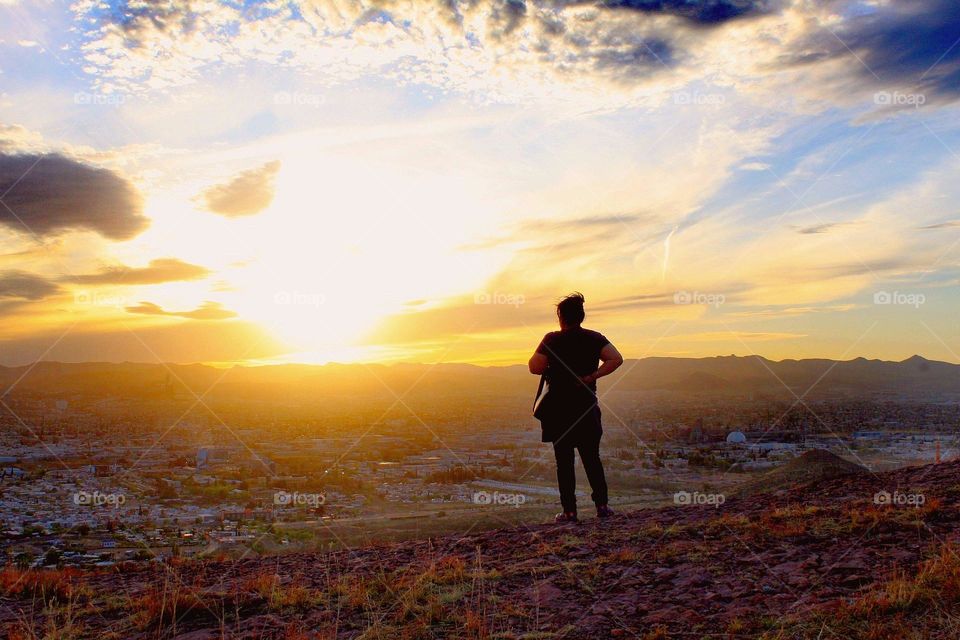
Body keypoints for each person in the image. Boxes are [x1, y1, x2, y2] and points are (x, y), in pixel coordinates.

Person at [529, 292, 623, 523]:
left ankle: (569, 511)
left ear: (561, 317)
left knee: (564, 462)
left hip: (558, 410)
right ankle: (602, 506)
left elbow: (535, 367)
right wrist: (592, 376)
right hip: (586, 406)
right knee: (592, 458)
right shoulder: (594, 338)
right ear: (581, 316)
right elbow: (616, 358)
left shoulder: (551, 339)